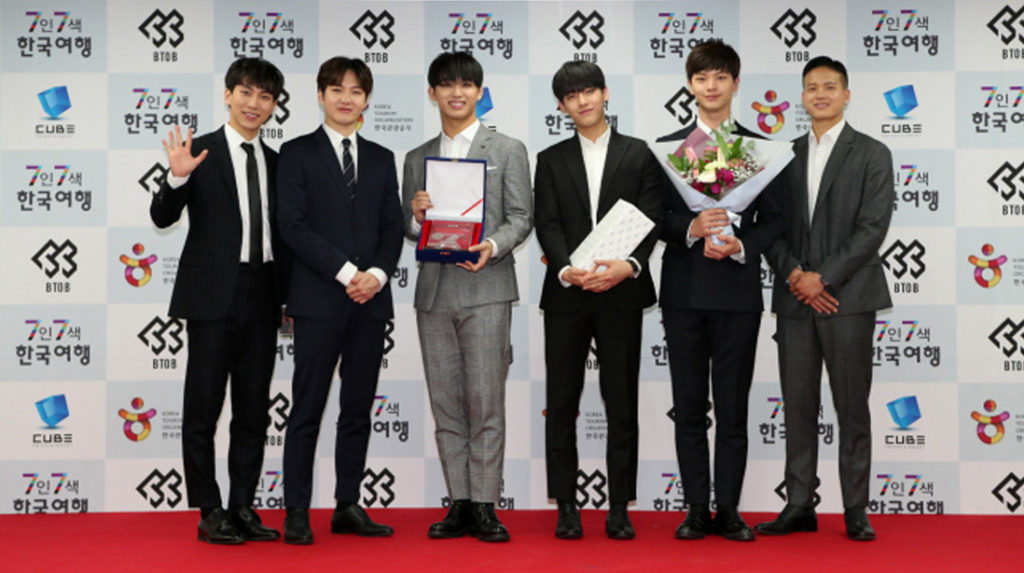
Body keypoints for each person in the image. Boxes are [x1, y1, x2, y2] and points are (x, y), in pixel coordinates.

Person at [150, 57, 286, 545]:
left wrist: (288, 299)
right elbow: (162, 217)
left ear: (274, 105)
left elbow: (285, 236)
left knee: (253, 411)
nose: (254, 104)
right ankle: (209, 510)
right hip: (211, 297)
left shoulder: (278, 162)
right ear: (228, 95)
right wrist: (177, 179)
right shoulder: (198, 152)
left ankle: (242, 506)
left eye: (265, 97)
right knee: (202, 410)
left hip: (263, 295)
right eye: (246, 93)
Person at [757, 56, 893, 542]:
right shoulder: (783, 155)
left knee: (851, 405)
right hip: (795, 298)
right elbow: (768, 226)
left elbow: (872, 227)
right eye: (812, 87)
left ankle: (855, 507)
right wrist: (796, 274)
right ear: (802, 96)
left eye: (830, 86)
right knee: (797, 405)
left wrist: (824, 278)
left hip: (848, 299)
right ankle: (799, 504)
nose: (820, 94)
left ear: (846, 94)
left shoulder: (872, 153)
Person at [402, 52, 532, 543]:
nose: (456, 92)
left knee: (486, 402)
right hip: (434, 294)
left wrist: (492, 246)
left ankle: (484, 504)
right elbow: (408, 228)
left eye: (465, 84)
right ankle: (458, 501)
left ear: (479, 92)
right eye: (446, 84)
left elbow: (521, 216)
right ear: (432, 93)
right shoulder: (417, 157)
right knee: (446, 405)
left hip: (487, 288)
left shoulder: (508, 149)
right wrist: (417, 217)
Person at [657, 40, 783, 542]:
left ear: (735, 83)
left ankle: (728, 508)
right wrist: (690, 228)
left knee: (733, 407)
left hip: (737, 292)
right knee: (689, 407)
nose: (711, 86)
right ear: (690, 85)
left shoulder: (762, 150)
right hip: (683, 293)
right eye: (701, 78)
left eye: (720, 77)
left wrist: (739, 243)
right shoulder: (668, 149)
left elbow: (775, 220)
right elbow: (655, 216)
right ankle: (694, 508)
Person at [276, 56, 403, 545]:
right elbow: (292, 226)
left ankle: (348, 504)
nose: (346, 98)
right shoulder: (295, 153)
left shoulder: (381, 158)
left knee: (357, 409)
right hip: (318, 300)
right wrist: (349, 272)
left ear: (366, 99)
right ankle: (296, 510)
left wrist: (377, 275)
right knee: (306, 408)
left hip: (370, 303)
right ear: (320, 95)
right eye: (336, 89)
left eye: (355, 91)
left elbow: (391, 228)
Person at [534, 61, 663, 541]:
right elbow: (546, 222)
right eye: (571, 96)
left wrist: (628, 266)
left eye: (588, 91)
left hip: (621, 293)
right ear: (561, 105)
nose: (582, 101)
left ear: (605, 93)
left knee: (621, 401)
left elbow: (651, 217)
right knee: (561, 402)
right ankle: (566, 507)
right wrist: (566, 268)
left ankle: (619, 507)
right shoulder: (550, 159)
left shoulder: (638, 153)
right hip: (568, 293)